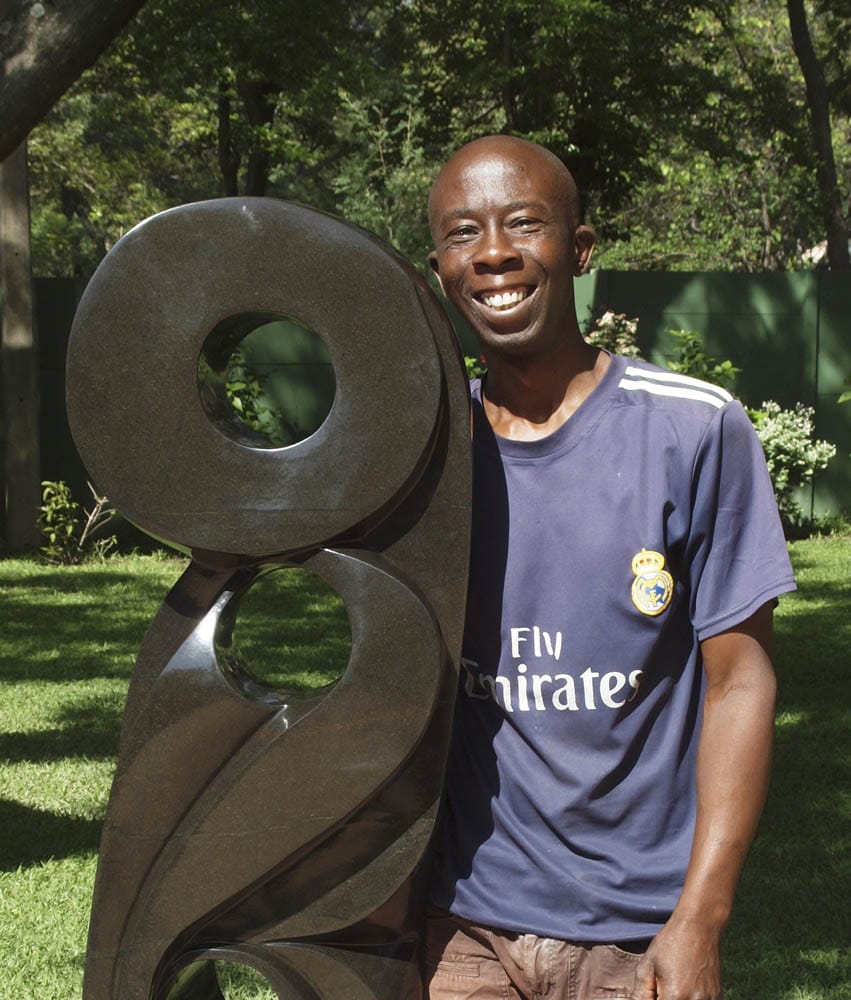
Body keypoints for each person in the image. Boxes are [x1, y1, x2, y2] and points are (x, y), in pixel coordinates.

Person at [422, 134, 796, 1000]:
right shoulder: (424, 452)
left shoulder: (692, 430)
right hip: (459, 923)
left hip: (635, 937)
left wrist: (700, 917)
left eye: (524, 225)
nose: (494, 255)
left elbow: (738, 683)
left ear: (580, 249)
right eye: (462, 234)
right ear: (437, 266)